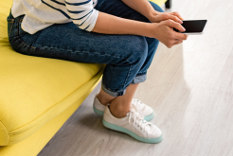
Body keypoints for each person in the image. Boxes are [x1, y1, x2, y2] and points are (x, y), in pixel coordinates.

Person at [7, 0, 187, 144]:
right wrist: (153, 30)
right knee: (134, 47)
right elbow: (86, 20)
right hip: (35, 28)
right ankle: (111, 105)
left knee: (149, 16)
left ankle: (121, 105)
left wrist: (154, 16)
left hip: (75, 10)